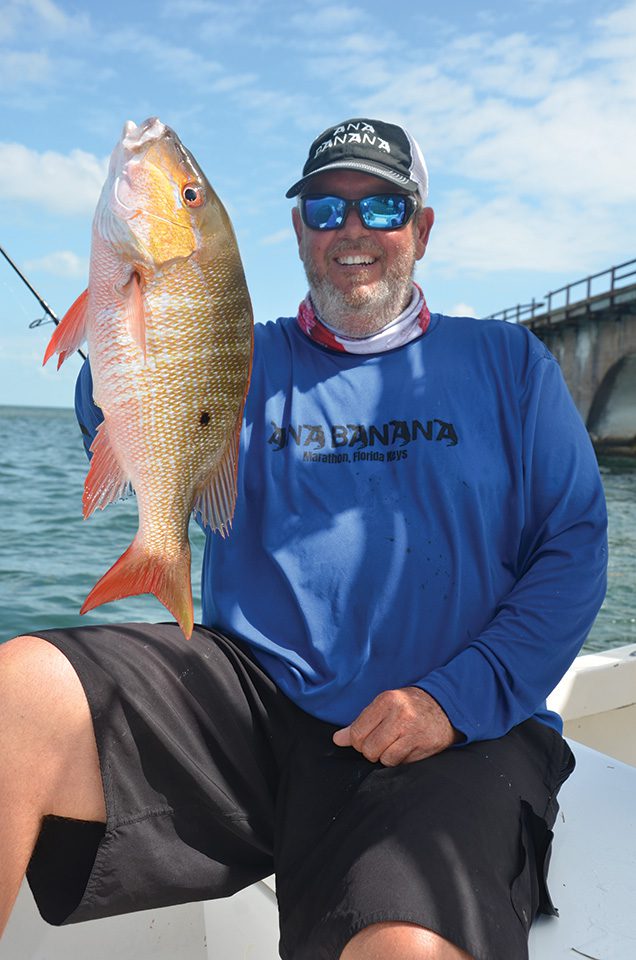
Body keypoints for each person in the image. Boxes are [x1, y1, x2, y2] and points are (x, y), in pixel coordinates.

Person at [0, 117, 608, 960]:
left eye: (383, 207)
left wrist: (454, 700)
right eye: (326, 209)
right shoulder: (243, 356)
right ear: (298, 232)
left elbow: (574, 549)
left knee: (407, 948)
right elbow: (122, 421)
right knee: (14, 697)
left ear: (421, 230)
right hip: (254, 710)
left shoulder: (511, 365)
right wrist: (117, 333)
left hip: (455, 731)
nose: (352, 230)